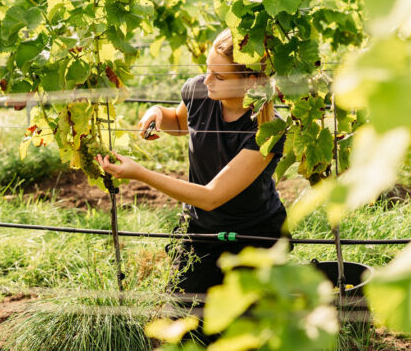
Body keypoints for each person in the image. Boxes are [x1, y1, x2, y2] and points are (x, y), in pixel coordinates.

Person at [95, 28, 287, 294]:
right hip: (201, 230)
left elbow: (211, 197)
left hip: (253, 235)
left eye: (219, 76)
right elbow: (180, 122)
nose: (207, 80)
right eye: (207, 69)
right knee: (185, 321)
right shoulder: (199, 90)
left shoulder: (268, 130)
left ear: (252, 81)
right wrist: (158, 113)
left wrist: (140, 174)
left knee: (242, 324)